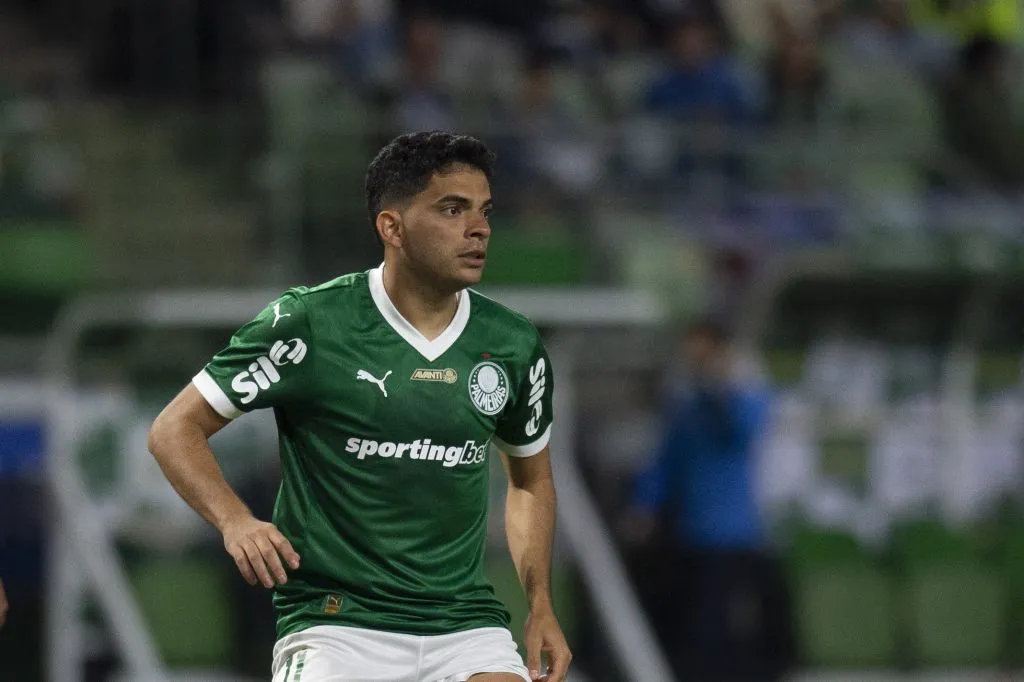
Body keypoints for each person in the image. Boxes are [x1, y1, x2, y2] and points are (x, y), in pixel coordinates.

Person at [148, 132, 571, 682]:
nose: (479, 228)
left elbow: (530, 480)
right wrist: (235, 522)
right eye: (452, 209)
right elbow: (174, 428)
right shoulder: (312, 323)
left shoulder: (511, 343)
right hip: (337, 625)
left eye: (484, 211)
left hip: (464, 625)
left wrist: (540, 605)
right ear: (392, 227)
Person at [622, 318, 790, 681]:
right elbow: (665, 461)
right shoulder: (686, 407)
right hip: (692, 533)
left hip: (736, 535)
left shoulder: (745, 396)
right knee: (694, 628)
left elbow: (743, 430)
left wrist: (723, 383)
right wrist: (644, 505)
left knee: (735, 629)